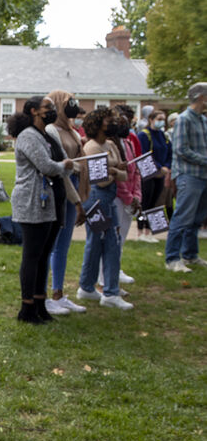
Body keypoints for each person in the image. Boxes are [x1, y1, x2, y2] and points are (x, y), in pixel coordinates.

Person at [10, 96, 79, 322]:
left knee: (44, 255)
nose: (52, 111)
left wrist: (64, 166)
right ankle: (27, 308)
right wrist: (63, 166)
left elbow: (65, 163)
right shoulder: (28, 136)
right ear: (33, 111)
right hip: (32, 202)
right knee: (32, 255)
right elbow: (47, 166)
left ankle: (40, 303)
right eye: (47, 108)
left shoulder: (48, 135)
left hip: (52, 202)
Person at [76, 107, 132, 309]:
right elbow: (100, 181)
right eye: (109, 121)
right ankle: (110, 292)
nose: (113, 124)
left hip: (109, 196)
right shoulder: (92, 147)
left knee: (102, 243)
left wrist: (113, 171)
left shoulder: (110, 144)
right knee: (108, 243)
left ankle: (87, 286)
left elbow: (124, 174)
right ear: (98, 124)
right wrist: (116, 170)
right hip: (97, 200)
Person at [44, 91, 88, 315]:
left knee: (64, 245)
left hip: (74, 186)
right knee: (52, 244)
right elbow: (61, 165)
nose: (74, 107)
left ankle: (58, 292)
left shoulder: (71, 129)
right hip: (62, 190)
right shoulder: (52, 130)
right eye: (68, 102)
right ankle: (46, 296)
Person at [164, 82, 207, 272]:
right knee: (182, 217)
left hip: (203, 176)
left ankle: (190, 254)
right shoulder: (183, 119)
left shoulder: (203, 120)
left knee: (197, 219)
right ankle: (172, 258)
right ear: (201, 97)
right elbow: (181, 149)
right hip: (189, 176)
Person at [108, 107, 142, 286]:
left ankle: (116, 268)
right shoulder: (111, 145)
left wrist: (137, 195)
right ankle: (105, 274)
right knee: (113, 238)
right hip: (119, 198)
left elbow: (134, 171)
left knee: (122, 238)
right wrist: (128, 197)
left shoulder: (128, 144)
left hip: (130, 198)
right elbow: (118, 176)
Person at [136, 107, 172, 242]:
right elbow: (144, 153)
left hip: (161, 174)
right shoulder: (144, 135)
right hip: (148, 173)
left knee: (155, 203)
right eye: (159, 119)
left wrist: (166, 167)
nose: (162, 122)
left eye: (163, 120)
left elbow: (169, 153)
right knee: (145, 202)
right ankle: (140, 231)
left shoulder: (164, 136)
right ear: (151, 120)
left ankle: (149, 230)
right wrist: (157, 168)